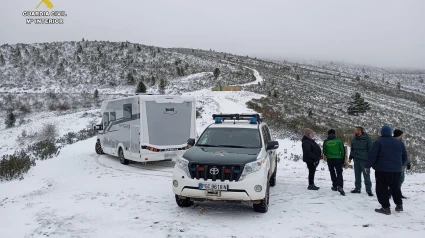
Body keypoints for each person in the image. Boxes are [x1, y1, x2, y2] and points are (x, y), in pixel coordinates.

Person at [365, 125, 408, 215]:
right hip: (396, 170)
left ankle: (385, 207)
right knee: (395, 187)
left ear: (382, 132)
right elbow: (405, 157)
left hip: (382, 170)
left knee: (382, 189)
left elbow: (372, 155)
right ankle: (399, 205)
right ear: (390, 133)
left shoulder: (379, 142)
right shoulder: (399, 143)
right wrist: (400, 165)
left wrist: (368, 166)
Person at [349, 126, 373, 196]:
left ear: (361, 131)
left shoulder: (368, 139)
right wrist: (350, 157)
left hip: (364, 160)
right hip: (356, 159)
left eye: (357, 130)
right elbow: (352, 149)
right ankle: (357, 188)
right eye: (355, 130)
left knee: (366, 175)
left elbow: (371, 150)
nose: (355, 131)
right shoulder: (354, 139)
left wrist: (370, 160)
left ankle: (368, 190)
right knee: (357, 174)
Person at [388, 129, 411, 199]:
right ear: (398, 135)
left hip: (401, 164)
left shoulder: (401, 142)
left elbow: (404, 154)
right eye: (401, 134)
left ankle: (398, 192)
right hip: (393, 164)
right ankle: (389, 193)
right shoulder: (391, 142)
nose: (402, 136)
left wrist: (407, 163)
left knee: (401, 179)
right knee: (393, 179)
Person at [323, 129, 346, 196]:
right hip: (338, 158)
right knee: (339, 173)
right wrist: (342, 159)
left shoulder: (326, 142)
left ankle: (334, 186)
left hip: (330, 159)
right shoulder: (339, 141)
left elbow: (324, 151)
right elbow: (343, 151)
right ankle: (340, 186)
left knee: (332, 172)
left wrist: (328, 156)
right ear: (334, 134)